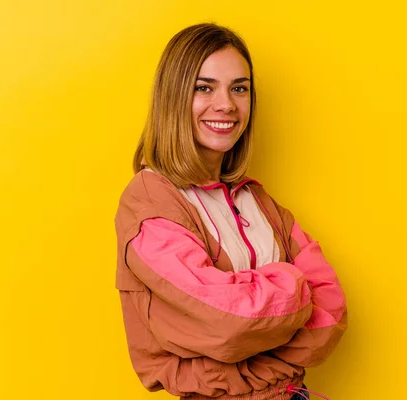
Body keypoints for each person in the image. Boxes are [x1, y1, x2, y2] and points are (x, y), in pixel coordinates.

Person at [115, 23, 348, 400]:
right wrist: (293, 287)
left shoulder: (256, 200)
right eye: (203, 87)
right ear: (173, 97)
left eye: (239, 88)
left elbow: (333, 312)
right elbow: (229, 322)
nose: (226, 104)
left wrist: (260, 315)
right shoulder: (150, 202)